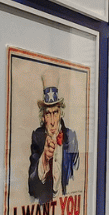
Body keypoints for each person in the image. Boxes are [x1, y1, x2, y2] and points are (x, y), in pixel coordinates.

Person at [28, 71, 80, 205]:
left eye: (55, 113)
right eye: (48, 114)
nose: (52, 121)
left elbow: (77, 178)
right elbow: (32, 187)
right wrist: (44, 160)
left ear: (60, 113)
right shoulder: (37, 137)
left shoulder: (71, 137)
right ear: (43, 117)